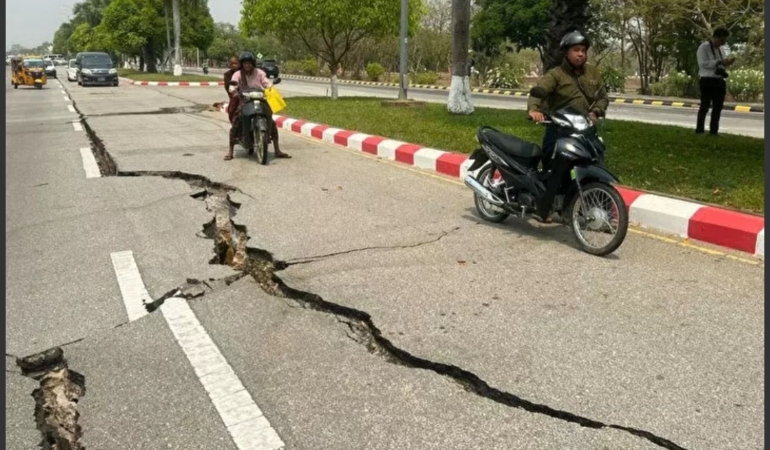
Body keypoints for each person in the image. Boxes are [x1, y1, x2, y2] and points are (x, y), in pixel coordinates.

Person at [527, 30, 609, 222]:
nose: (581, 54)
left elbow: (603, 97)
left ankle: (599, 208)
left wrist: (596, 111)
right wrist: (534, 110)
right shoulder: (556, 74)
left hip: (585, 129)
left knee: (596, 163)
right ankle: (545, 207)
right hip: (559, 130)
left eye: (583, 50)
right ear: (566, 53)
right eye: (576, 50)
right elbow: (539, 92)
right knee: (553, 170)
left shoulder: (593, 73)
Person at [226, 51, 290, 161]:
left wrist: (270, 86)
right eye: (245, 63)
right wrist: (233, 90)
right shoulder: (238, 74)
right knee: (237, 120)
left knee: (271, 121)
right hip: (245, 99)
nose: (247, 65)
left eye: (249, 63)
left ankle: (277, 150)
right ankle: (230, 151)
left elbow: (266, 82)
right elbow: (233, 83)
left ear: (253, 63)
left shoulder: (259, 72)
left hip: (260, 98)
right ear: (242, 64)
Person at [695, 27, 734, 136]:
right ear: (715, 37)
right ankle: (699, 129)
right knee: (705, 106)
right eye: (722, 40)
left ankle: (714, 131)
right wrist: (718, 62)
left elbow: (720, 64)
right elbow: (703, 64)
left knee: (718, 107)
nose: (723, 43)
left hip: (719, 80)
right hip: (707, 79)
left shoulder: (721, 50)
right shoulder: (704, 47)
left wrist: (726, 63)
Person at [223, 56, 241, 125]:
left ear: (239, 63)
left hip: (248, 95)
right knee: (231, 110)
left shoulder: (245, 71)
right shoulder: (227, 75)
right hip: (235, 96)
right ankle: (234, 127)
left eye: (235, 63)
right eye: (231, 64)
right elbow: (227, 88)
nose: (233, 65)